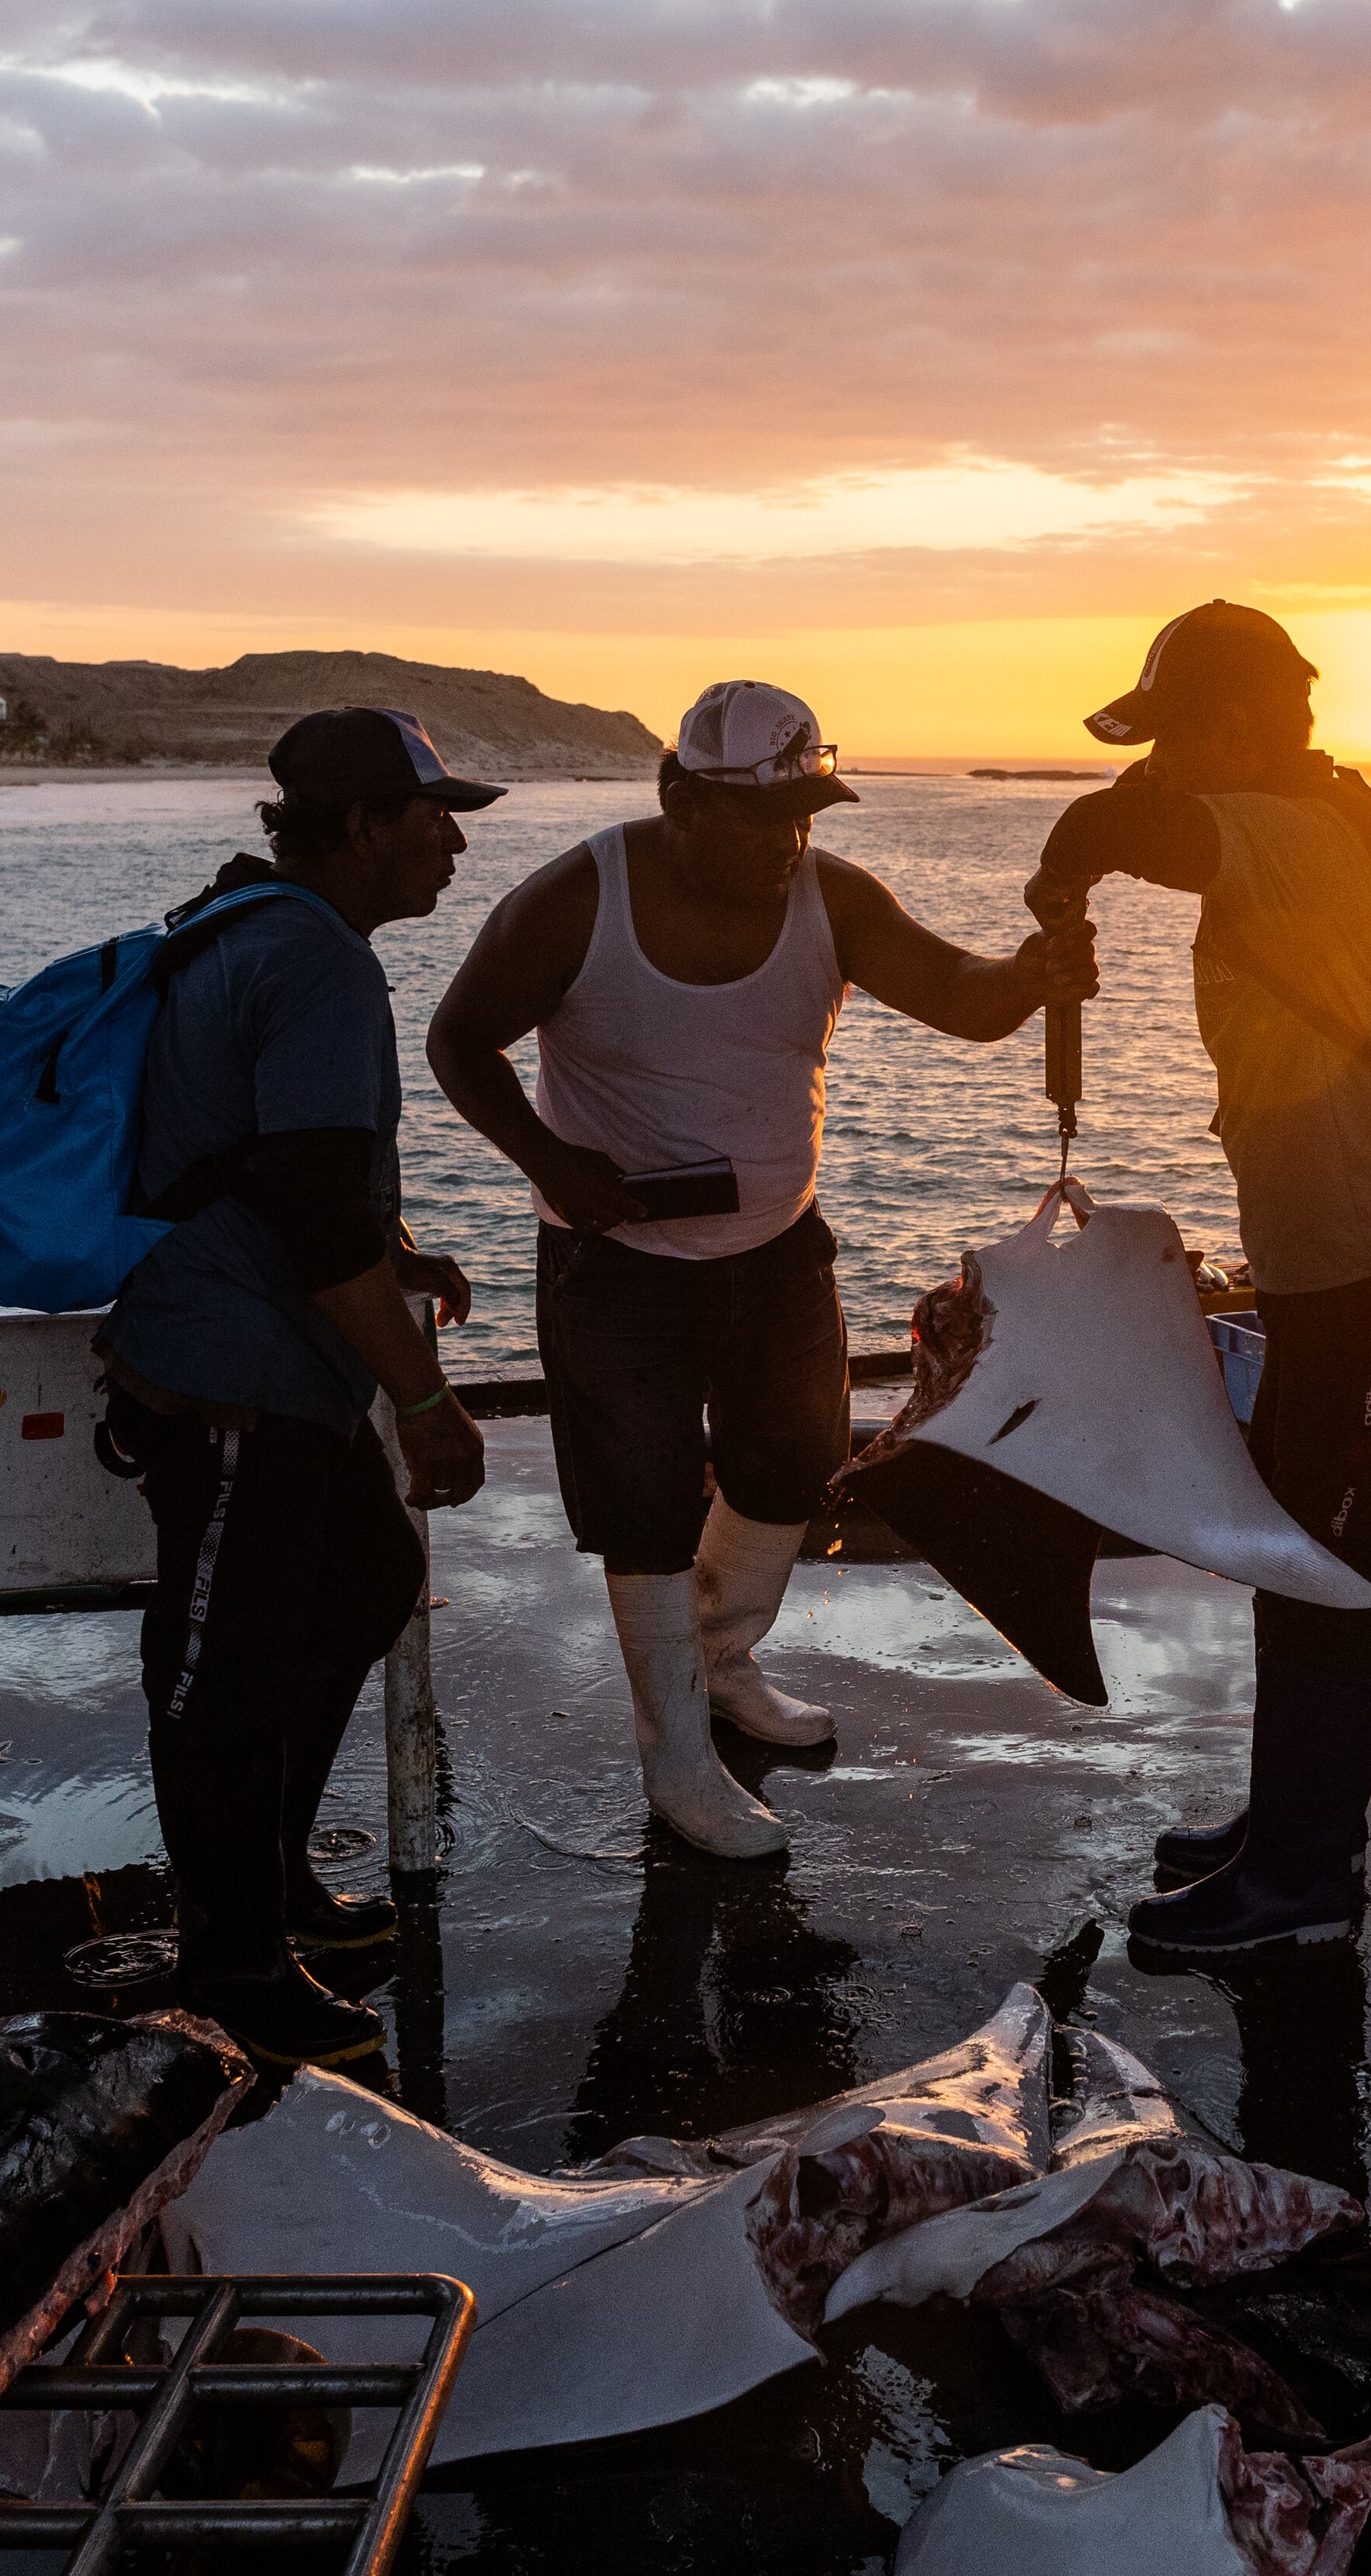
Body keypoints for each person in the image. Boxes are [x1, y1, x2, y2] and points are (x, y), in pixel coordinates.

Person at [428, 680, 1092, 1860]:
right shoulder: (578, 900)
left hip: (780, 1244)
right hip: (615, 1258)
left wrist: (1032, 975)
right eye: (757, 818)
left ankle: (723, 1662)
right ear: (677, 796)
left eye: (804, 815)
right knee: (641, 1508)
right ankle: (675, 1758)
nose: (786, 843)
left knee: (790, 1462)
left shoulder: (829, 896)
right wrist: (548, 1161)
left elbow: (961, 998)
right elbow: (457, 1040)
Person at [1023, 601, 1371, 1955]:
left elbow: (1106, 831)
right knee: (1301, 1530)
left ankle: (1303, 1883)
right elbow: (1142, 811)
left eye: (1179, 730)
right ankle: (1282, 1820)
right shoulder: (1302, 816)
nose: (1162, 757)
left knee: (1320, 1558)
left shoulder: (1283, 833)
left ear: (1238, 726)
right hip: (1335, 1268)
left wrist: (1060, 887)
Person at [96, 706, 497, 2071]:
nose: (453, 842)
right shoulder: (312, 961)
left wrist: (399, 1251)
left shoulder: (257, 926)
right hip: (233, 1372)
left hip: (273, 1359)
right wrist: (428, 1402)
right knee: (220, 1673)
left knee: (364, 1584)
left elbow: (293, 1171)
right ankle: (234, 1968)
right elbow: (314, 1211)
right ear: (362, 826)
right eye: (434, 816)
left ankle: (268, 1895)